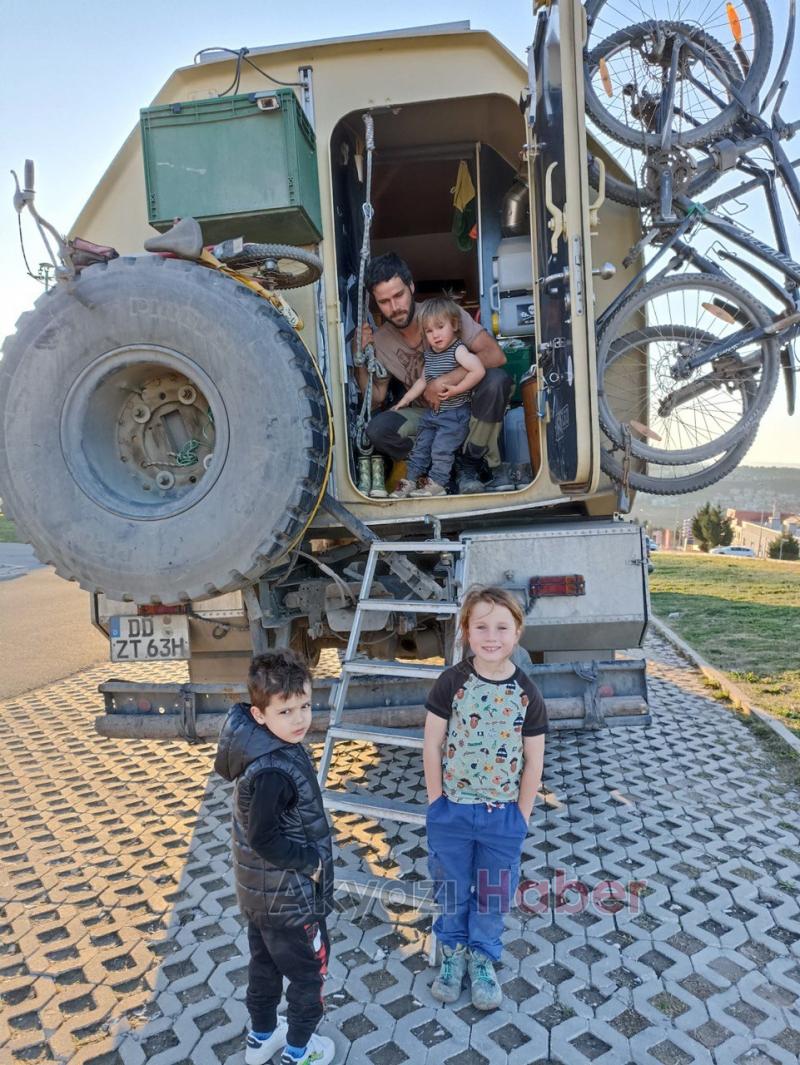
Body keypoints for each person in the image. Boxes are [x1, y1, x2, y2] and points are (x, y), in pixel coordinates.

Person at [422, 586, 548, 1009]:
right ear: (466, 631)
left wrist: (521, 817)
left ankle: (482, 959)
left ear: (517, 632)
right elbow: (432, 744)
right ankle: (453, 953)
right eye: (481, 627)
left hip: (502, 818)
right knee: (452, 888)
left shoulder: (527, 693)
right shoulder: (451, 683)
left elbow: (534, 761)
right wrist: (437, 803)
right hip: (453, 812)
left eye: (501, 627)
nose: (491, 637)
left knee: (493, 894)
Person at [214, 650, 336, 1065]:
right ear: (259, 714)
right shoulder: (273, 772)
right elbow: (263, 837)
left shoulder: (265, 749)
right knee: (308, 974)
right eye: (286, 711)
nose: (300, 719)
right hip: (291, 901)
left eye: (305, 706)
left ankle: (262, 1036)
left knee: (264, 966)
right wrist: (310, 863)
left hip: (261, 900)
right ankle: (300, 1050)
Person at [357, 253, 515, 492]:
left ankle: (470, 463)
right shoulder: (380, 340)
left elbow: (496, 355)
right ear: (375, 303)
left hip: (466, 408)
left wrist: (443, 381)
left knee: (496, 380)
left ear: (411, 287)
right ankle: (441, 472)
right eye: (384, 302)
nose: (395, 307)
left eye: (399, 295)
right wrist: (359, 356)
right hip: (427, 416)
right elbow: (375, 399)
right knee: (378, 429)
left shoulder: (443, 313)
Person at [389, 297, 486, 498]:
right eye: (429, 331)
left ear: (454, 325)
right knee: (420, 448)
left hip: (454, 414)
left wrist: (456, 389)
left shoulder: (458, 350)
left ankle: (438, 484)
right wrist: (404, 400)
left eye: (440, 327)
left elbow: (478, 370)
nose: (435, 335)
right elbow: (422, 381)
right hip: (433, 414)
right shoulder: (430, 354)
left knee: (441, 450)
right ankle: (410, 481)